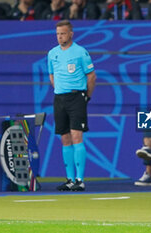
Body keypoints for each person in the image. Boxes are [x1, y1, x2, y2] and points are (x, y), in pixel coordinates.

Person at [47, 20, 96, 191]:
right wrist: (60, 89)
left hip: (76, 97)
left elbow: (91, 76)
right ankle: (69, 179)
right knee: (64, 138)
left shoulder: (80, 52)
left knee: (77, 136)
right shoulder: (52, 53)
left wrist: (86, 97)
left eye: (63, 33)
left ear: (71, 34)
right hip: (59, 98)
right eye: (58, 34)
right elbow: (52, 75)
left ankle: (80, 179)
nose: (60, 37)